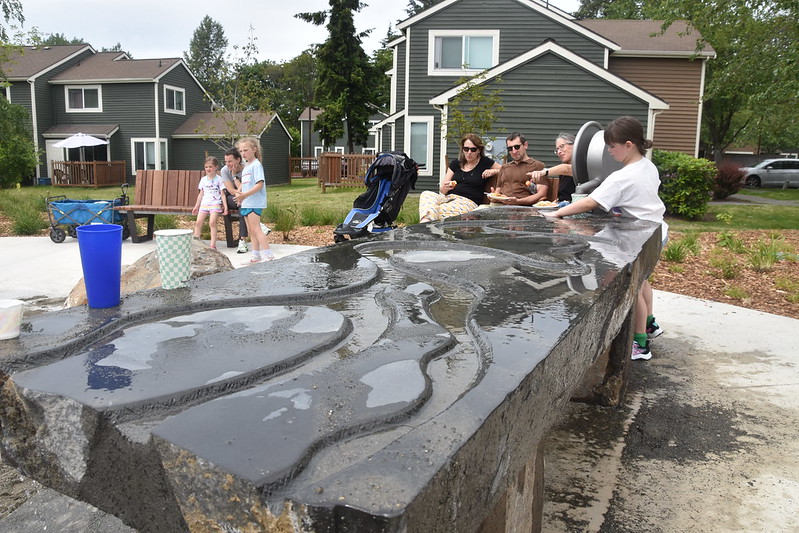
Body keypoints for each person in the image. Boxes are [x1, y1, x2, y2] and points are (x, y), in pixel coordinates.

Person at [543, 116, 666, 361]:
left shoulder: (622, 177)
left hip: (635, 239)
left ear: (629, 145)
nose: (609, 151)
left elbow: (591, 201)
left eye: (612, 146)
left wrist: (557, 213)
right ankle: (650, 325)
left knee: (631, 290)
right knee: (642, 281)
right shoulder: (647, 166)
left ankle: (640, 344)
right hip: (656, 231)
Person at [418, 134, 501, 222]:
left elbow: (505, 169)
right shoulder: (455, 163)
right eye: (466, 149)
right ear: (462, 149)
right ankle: (426, 222)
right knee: (426, 194)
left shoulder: (484, 162)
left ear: (479, 150)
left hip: (468, 202)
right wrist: (445, 187)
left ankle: (424, 224)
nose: (469, 152)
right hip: (449, 198)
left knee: (437, 210)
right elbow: (442, 191)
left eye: (473, 149)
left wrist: (494, 171)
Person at [233, 137, 274, 263]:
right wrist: (239, 193)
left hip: (254, 202)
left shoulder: (256, 165)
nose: (243, 153)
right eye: (241, 151)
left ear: (254, 149)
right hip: (246, 203)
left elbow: (259, 184)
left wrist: (244, 195)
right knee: (251, 230)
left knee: (256, 229)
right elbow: (244, 183)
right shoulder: (246, 166)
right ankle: (256, 255)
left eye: (246, 150)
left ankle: (268, 255)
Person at [484, 132, 548, 205]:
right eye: (510, 148)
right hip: (501, 205)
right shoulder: (504, 167)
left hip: (524, 206)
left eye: (517, 147)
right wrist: (493, 197)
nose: (514, 151)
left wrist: (518, 201)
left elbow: (542, 193)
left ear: (525, 145)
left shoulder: (537, 166)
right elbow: (497, 192)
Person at [191, 156, 228, 250]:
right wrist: (196, 206)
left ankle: (212, 245)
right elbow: (201, 194)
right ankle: (196, 243)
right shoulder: (203, 180)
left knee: (212, 222)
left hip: (215, 204)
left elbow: (222, 194)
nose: (208, 169)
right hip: (204, 204)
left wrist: (225, 206)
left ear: (216, 167)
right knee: (198, 222)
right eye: (206, 167)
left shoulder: (219, 179)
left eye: (210, 166)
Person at [528, 133, 576, 201]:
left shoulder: (582, 164)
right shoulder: (562, 173)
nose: (559, 152)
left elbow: (567, 169)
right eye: (557, 150)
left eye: (562, 146)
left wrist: (543, 172)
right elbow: (563, 196)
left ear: (574, 145)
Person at [221, 147, 249, 253]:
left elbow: (247, 188)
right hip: (231, 198)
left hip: (246, 196)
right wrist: (239, 196)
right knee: (243, 204)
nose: (227, 164)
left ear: (238, 159)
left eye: (230, 161)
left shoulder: (247, 168)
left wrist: (234, 176)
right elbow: (231, 190)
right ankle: (258, 227)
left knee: (243, 206)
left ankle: (242, 240)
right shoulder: (224, 170)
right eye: (226, 161)